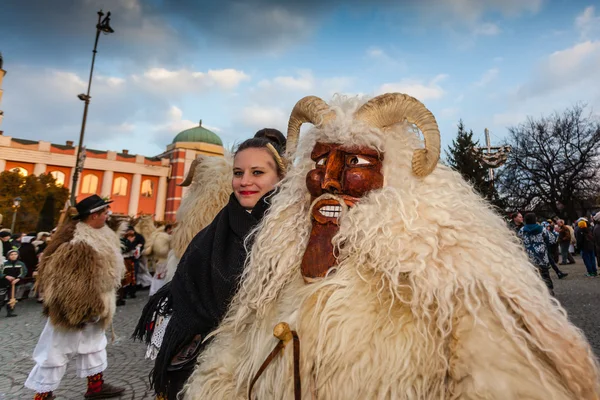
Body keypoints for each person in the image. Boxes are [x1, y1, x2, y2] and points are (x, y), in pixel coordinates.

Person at [184, 93, 599, 400]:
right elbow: (234, 351)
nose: (327, 179)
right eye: (319, 160)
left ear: (395, 171)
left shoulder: (447, 266)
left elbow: (502, 376)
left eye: (354, 163)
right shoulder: (274, 263)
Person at [147, 129, 287, 399]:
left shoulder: (292, 236)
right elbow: (180, 303)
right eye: (238, 173)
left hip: (269, 370)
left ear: (281, 177)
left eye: (257, 173)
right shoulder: (210, 235)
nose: (245, 181)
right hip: (203, 370)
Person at [24, 194, 126, 400]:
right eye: (104, 212)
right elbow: (69, 281)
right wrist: (83, 307)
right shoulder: (78, 242)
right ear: (93, 216)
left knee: (94, 345)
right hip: (75, 307)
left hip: (98, 303)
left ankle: (96, 387)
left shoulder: (102, 232)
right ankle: (42, 394)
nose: (108, 214)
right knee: (56, 350)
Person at [1, 248, 27, 317]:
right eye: (11, 254)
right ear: (8, 256)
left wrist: (18, 279)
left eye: (15, 254)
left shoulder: (21, 264)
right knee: (1, 298)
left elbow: (24, 272)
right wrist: (6, 276)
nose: (13, 256)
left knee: (12, 298)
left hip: (13, 283)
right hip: (2, 283)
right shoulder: (4, 264)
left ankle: (10, 311)